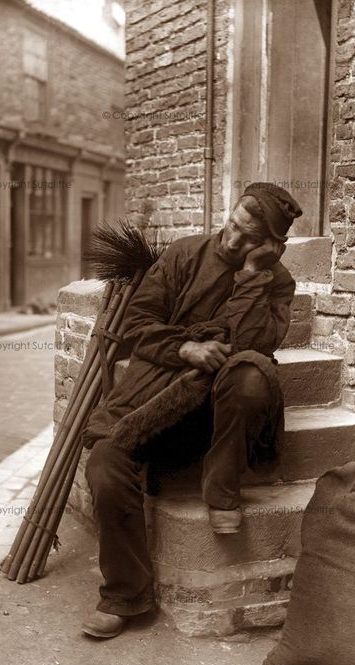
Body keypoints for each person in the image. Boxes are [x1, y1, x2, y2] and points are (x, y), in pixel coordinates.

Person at [81, 182, 302, 638]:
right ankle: (127, 594)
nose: (234, 241)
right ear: (231, 211)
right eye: (234, 226)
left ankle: (222, 485)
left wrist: (253, 276)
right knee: (105, 464)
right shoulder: (184, 254)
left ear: (270, 245)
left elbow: (256, 343)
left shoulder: (277, 282)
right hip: (159, 401)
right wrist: (185, 349)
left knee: (252, 373)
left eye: (249, 239)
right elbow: (136, 325)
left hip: (221, 421)